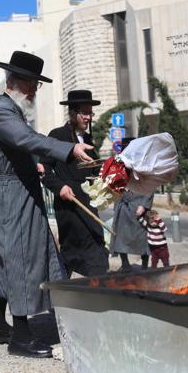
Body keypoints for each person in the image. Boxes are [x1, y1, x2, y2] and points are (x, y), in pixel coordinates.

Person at [0, 51, 94, 359]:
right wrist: (70, 149)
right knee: (20, 257)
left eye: (36, 85)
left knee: (9, 257)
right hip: (6, 197)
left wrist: (32, 168)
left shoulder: (11, 111)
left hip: (11, 191)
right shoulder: (1, 112)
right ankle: (21, 336)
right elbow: (28, 140)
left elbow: (16, 149)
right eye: (31, 83)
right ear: (13, 81)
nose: (34, 90)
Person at [43, 89, 110, 277]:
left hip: (88, 204)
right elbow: (43, 169)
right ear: (72, 113)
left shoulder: (87, 139)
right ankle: (62, 287)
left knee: (96, 247)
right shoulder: (57, 135)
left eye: (90, 113)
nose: (88, 117)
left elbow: (95, 171)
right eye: (84, 112)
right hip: (69, 206)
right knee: (73, 252)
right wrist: (60, 188)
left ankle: (95, 286)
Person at [110, 142, 153, 270]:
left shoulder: (144, 166)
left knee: (143, 237)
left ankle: (145, 264)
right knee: (120, 236)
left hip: (138, 204)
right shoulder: (119, 165)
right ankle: (125, 263)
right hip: (123, 205)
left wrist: (144, 205)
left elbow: (151, 186)